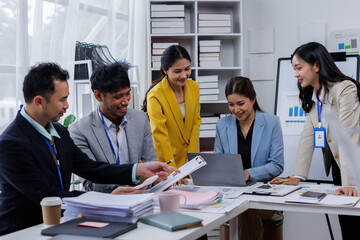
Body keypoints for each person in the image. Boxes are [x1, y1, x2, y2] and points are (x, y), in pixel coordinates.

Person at [0, 62, 178, 235]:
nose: (67, 105)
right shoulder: (11, 144)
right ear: (39, 101)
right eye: (62, 99)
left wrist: (138, 169)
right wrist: (106, 200)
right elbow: (47, 195)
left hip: (60, 225)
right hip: (23, 231)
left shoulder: (59, 132)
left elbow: (91, 168)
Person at [270, 42, 360, 240]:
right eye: (294, 69)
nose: (296, 74)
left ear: (316, 65)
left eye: (299, 67)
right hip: (340, 167)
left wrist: (350, 182)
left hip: (354, 168)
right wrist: (298, 176)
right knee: (348, 226)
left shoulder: (345, 89)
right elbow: (307, 135)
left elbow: (348, 137)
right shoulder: (314, 94)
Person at [69, 63, 156, 193]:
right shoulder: (79, 130)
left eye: (128, 94)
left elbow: (150, 164)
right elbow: (89, 181)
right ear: (98, 96)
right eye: (118, 96)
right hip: (106, 203)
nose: (126, 101)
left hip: (142, 197)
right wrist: (118, 189)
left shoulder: (140, 119)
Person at [215, 76, 284, 240]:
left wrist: (248, 174)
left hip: (262, 193)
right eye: (231, 104)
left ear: (253, 99)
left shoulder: (271, 122)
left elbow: (277, 165)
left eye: (241, 104)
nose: (236, 109)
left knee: (246, 209)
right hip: (232, 192)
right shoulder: (222, 125)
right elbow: (218, 163)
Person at [144, 45, 202, 168]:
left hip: (190, 160)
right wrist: (171, 171)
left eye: (187, 69)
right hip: (168, 161)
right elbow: (159, 135)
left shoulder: (194, 87)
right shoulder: (155, 95)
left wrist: (191, 160)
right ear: (165, 70)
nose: (184, 75)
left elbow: (195, 124)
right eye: (177, 71)